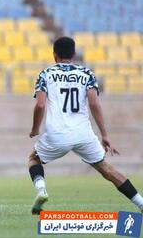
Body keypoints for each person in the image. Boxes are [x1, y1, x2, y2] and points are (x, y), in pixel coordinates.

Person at [27, 36, 143, 215]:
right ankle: (141, 203)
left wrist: (35, 129)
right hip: (83, 134)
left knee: (34, 159)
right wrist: (104, 135)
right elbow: (94, 104)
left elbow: (40, 105)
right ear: (73, 54)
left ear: (54, 55)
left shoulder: (46, 74)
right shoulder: (87, 74)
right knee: (107, 170)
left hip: (57, 134)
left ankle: (41, 190)